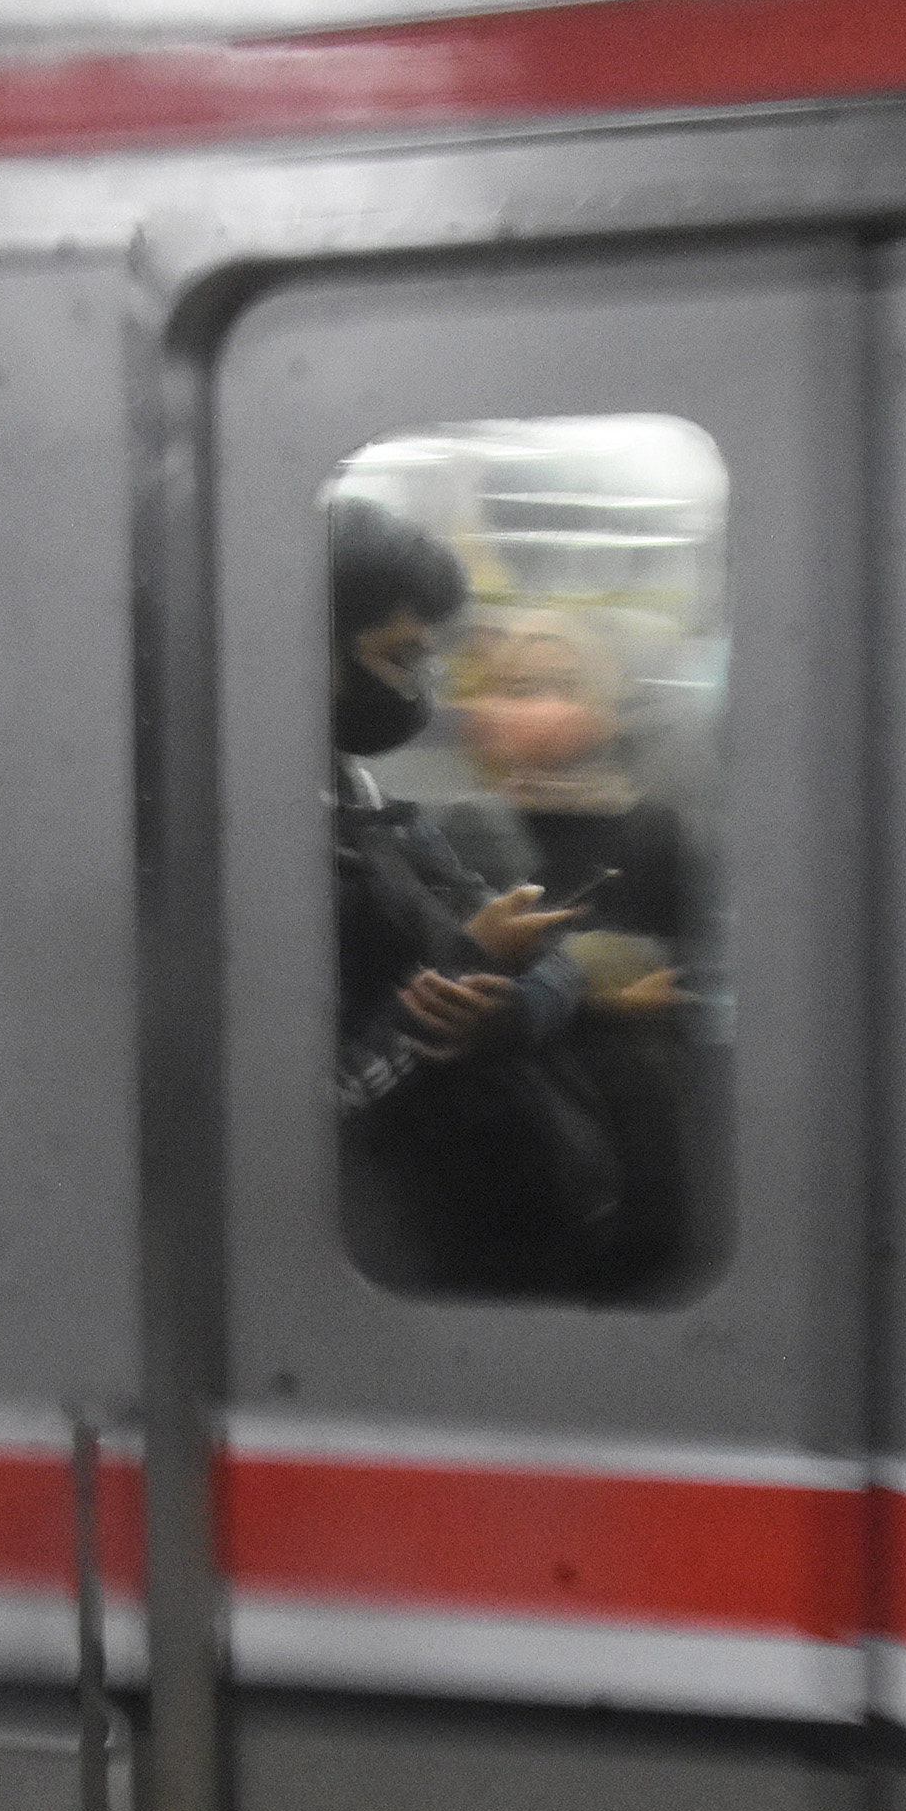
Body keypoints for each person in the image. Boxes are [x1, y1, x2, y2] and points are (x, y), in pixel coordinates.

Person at [325, 496, 605, 1294]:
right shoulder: (249, 847)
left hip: (487, 1210)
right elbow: (321, 1101)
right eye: (401, 657)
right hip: (383, 1247)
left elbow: (560, 962)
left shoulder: (364, 798)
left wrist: (513, 1009)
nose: (421, 689)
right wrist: (467, 964)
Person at [437, 610, 701, 1295]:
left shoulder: (653, 829)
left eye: (563, 685)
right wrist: (600, 990)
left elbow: (683, 981)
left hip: (635, 1133)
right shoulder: (460, 831)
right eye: (518, 687)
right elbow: (460, 993)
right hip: (510, 1142)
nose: (540, 706)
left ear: (604, 708)